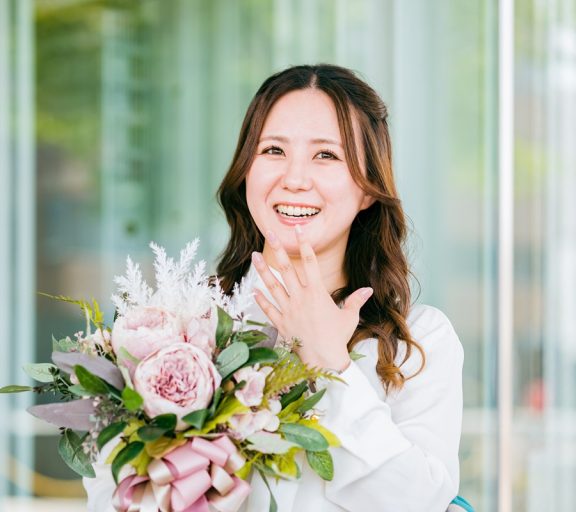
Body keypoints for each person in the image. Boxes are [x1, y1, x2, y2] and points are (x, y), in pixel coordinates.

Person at [84, 64, 464, 511]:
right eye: (273, 150)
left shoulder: (418, 343)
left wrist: (332, 364)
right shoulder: (172, 328)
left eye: (327, 155)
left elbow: (421, 501)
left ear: (368, 189)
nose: (295, 179)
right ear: (246, 172)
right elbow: (112, 497)